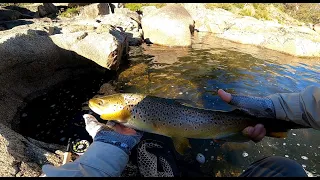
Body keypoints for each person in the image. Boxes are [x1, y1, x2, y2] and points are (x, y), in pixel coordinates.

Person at [42, 85, 320, 177]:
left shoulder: (126, 111)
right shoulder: (128, 107)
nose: (96, 105)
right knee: (286, 169)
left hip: (211, 125)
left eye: (101, 103)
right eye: (100, 103)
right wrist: (274, 108)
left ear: (120, 108)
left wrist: (103, 154)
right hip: (206, 126)